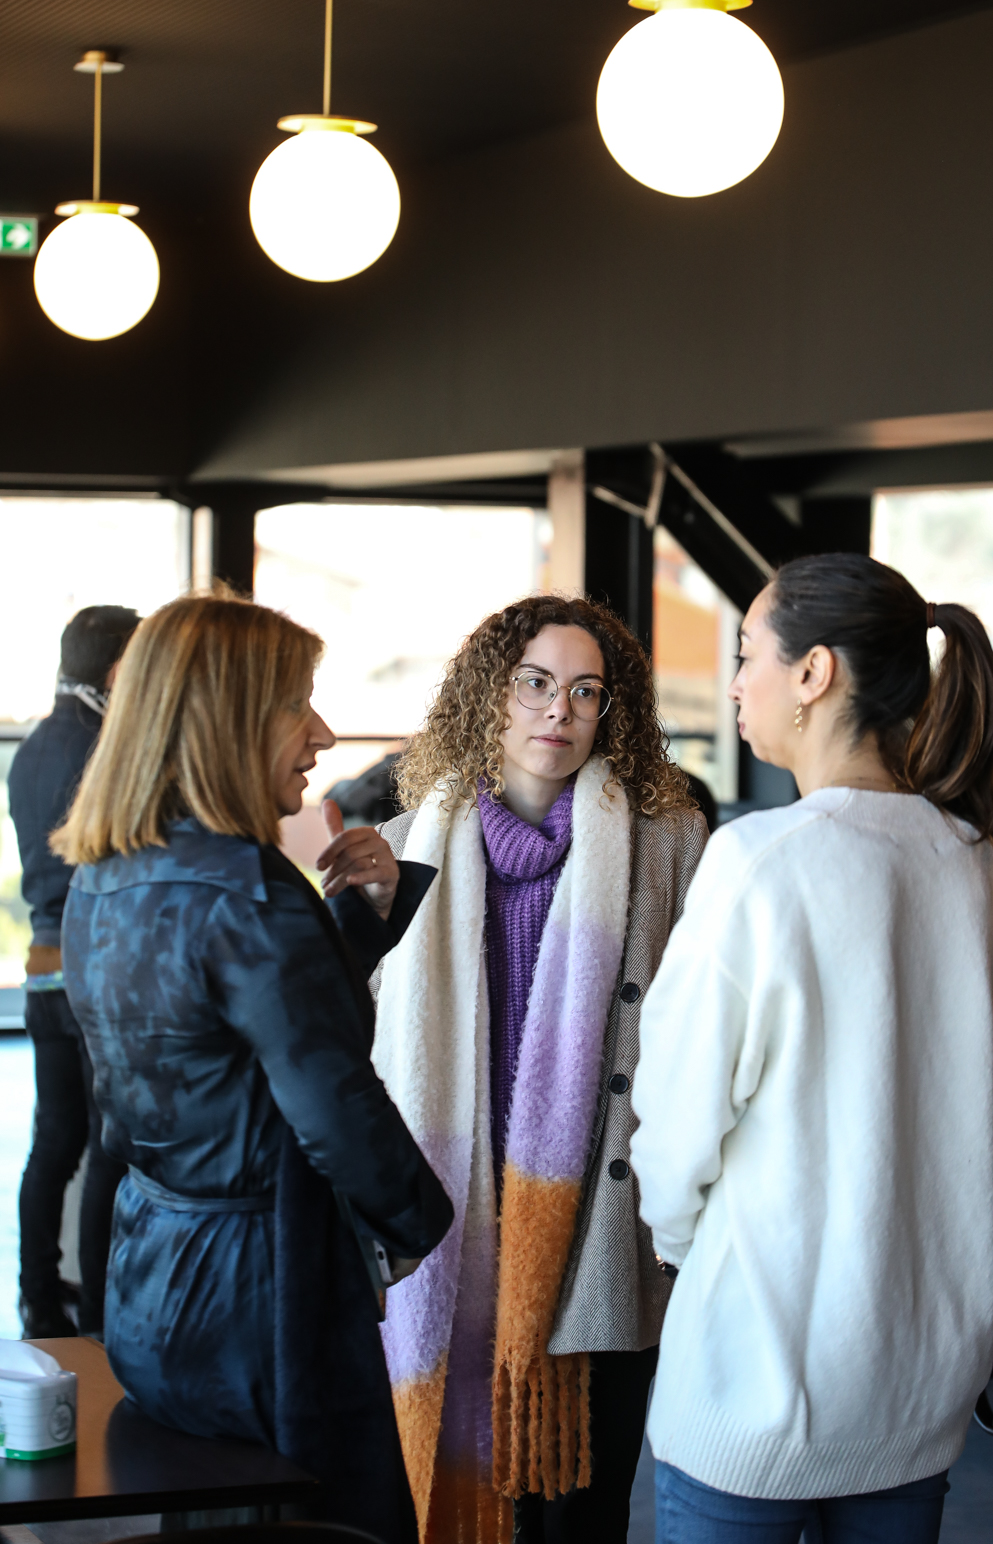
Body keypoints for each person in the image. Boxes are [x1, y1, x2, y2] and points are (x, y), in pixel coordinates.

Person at [631, 553, 993, 1544]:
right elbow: (980, 1073)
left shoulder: (757, 860)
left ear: (812, 674)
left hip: (752, 1382)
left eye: (744, 653)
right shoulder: (968, 857)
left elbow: (676, 1129)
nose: (732, 682)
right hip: (915, 1385)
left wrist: (690, 1250)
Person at [55, 591, 454, 1544]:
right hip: (267, 1300)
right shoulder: (247, 892)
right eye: (299, 705)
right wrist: (421, 1229)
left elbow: (231, 1048)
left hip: (152, 1275)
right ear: (229, 717)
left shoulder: (104, 875)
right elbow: (331, 1098)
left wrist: (354, 916)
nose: (321, 733)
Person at [318, 594, 709, 1544]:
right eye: (534, 683)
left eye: (586, 691)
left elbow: (700, 1036)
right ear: (489, 693)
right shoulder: (416, 836)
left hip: (601, 1222)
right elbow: (347, 1034)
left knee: (584, 1506)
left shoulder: (670, 842)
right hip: (452, 1215)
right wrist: (355, 922)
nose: (558, 712)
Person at [9, 603, 139, 1339]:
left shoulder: (31, 748)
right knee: (105, 1144)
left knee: (52, 1141)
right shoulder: (102, 750)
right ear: (119, 668)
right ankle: (95, 1308)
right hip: (94, 968)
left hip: (42, 968)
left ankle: (36, 1295)